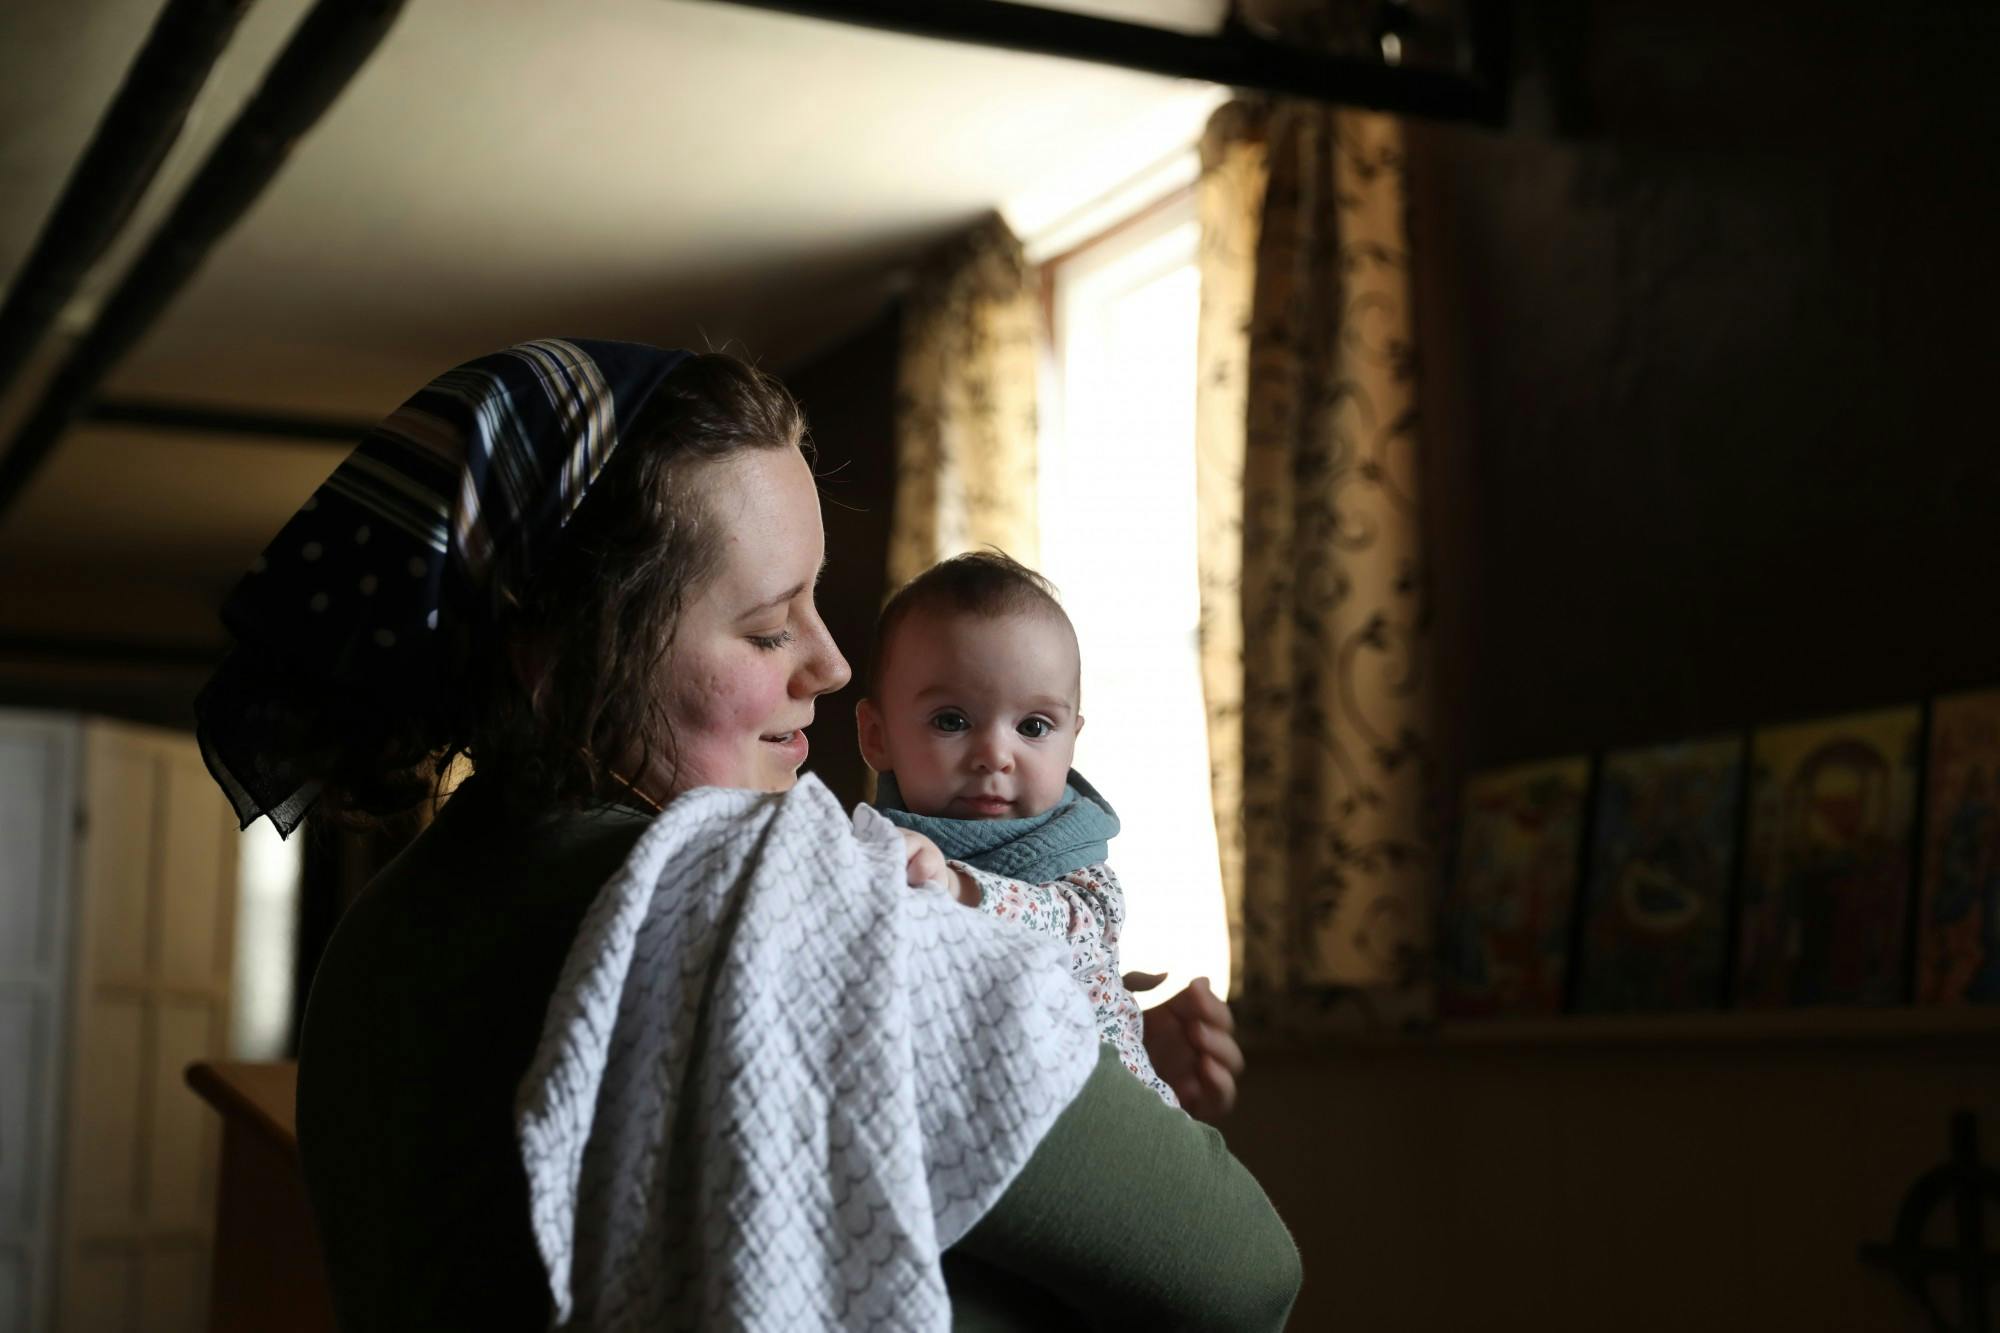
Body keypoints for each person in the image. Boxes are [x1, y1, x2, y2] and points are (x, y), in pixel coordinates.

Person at [195, 339, 1297, 1330]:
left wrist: (1081, 1043)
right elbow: (1244, 1271)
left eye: (813, 604)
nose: (830, 664)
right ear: (558, 656)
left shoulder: (378, 938)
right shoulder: (782, 907)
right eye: (769, 625)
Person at [860, 550, 1182, 1108]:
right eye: (951, 721)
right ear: (877, 736)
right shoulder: (872, 848)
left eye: (1033, 726)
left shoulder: (1077, 870)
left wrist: (958, 888)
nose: (994, 756)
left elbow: (1061, 928)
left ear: (1072, 739)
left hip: (1107, 1120)